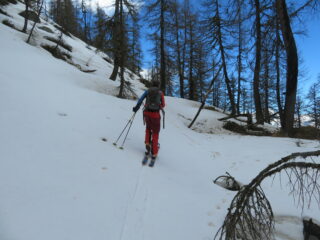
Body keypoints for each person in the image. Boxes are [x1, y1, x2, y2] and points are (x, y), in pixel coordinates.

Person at [132, 79, 165, 164]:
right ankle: (154, 152)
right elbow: (163, 105)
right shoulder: (160, 93)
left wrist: (136, 108)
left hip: (146, 113)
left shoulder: (147, 91)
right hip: (155, 115)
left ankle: (147, 143)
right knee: (155, 132)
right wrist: (159, 105)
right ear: (158, 85)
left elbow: (140, 100)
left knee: (148, 129)